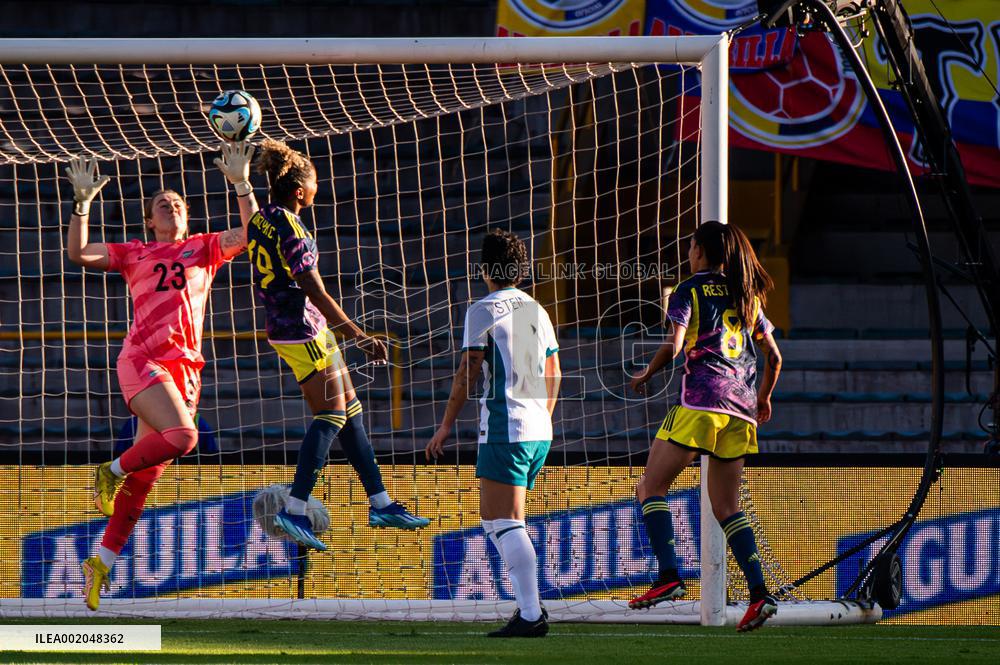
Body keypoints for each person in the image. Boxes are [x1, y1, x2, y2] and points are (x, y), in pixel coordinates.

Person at [65, 142, 258, 611]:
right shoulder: (135, 252)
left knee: (146, 478)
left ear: (187, 216)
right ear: (150, 221)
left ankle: (102, 562)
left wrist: (241, 184)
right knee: (185, 437)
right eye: (160, 204)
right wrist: (83, 204)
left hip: (185, 370)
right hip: (142, 359)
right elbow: (78, 252)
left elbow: (254, 234)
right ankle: (108, 471)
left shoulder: (206, 248)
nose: (169, 206)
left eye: (177, 203)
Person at [247, 139, 429, 551]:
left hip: (298, 325)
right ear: (299, 192)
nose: (317, 190)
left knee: (349, 412)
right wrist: (359, 336)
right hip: (301, 328)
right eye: (314, 185)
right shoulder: (291, 227)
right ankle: (294, 509)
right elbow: (313, 288)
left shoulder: (262, 218)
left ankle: (381, 503)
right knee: (330, 414)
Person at [628, 221, 782, 632]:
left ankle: (668, 577)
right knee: (727, 508)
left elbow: (675, 345)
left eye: (691, 245)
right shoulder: (746, 296)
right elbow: (776, 357)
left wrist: (647, 373)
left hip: (700, 401)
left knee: (650, 487)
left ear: (700, 251)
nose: (688, 252)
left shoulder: (689, 289)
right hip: (742, 409)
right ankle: (759, 593)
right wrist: (763, 398)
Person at [426, 229, 561, 638]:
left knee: (503, 521)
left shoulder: (484, 309)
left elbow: (468, 371)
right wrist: (541, 418)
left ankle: (531, 614)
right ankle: (530, 611)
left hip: (507, 427)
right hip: (538, 429)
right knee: (502, 520)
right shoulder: (536, 309)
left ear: (485, 269)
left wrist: (446, 425)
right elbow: (554, 374)